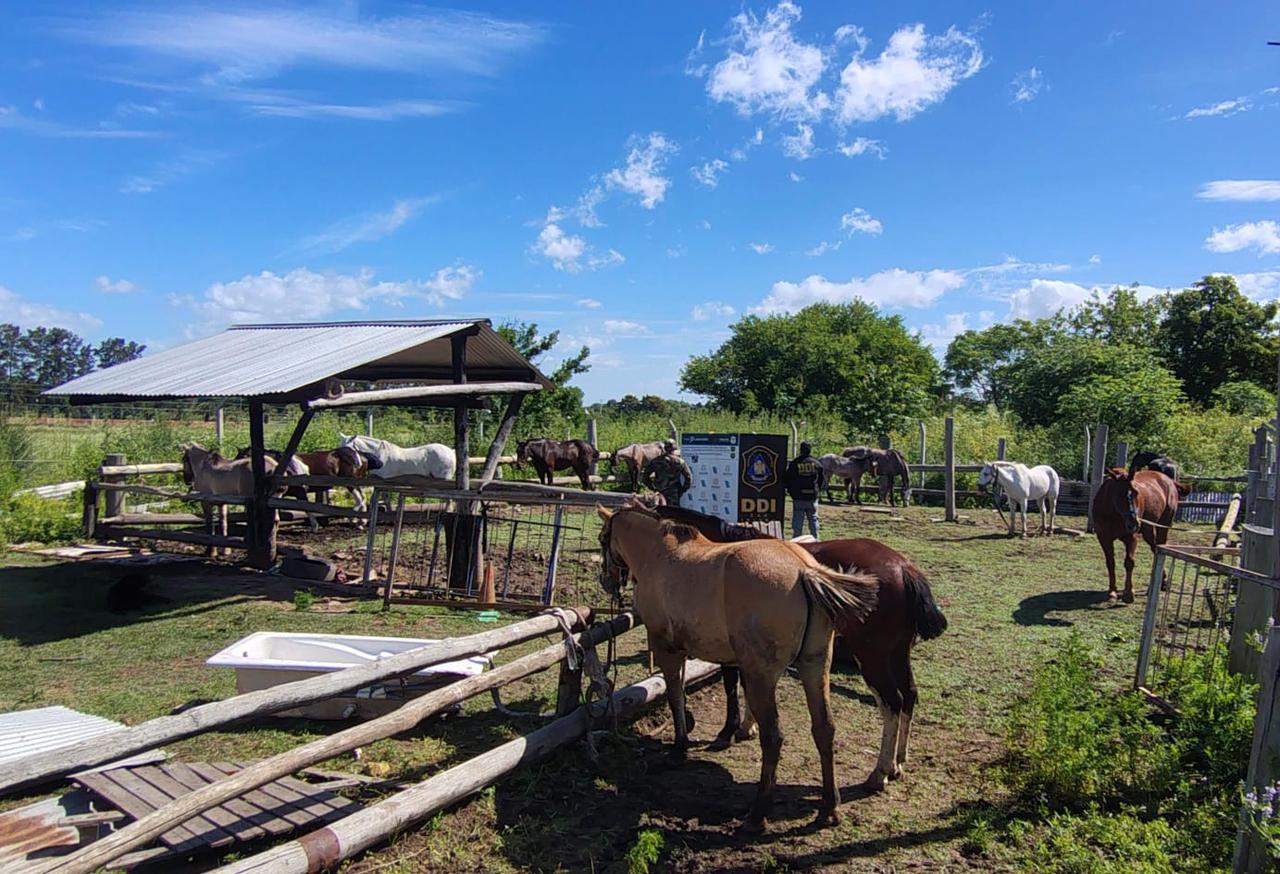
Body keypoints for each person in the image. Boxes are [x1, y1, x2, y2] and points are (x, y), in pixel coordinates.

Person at [785, 441, 824, 538]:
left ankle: (797, 540)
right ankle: (816, 539)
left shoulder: (795, 463)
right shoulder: (816, 463)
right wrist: (817, 491)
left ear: (801, 450)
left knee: (798, 520)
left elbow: (788, 479)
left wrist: (791, 492)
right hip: (812, 497)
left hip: (798, 496)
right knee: (813, 519)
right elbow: (821, 480)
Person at [643, 439, 693, 507]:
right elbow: (688, 477)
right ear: (674, 449)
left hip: (660, 493)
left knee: (660, 513)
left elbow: (645, 476)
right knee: (673, 514)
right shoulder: (679, 462)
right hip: (674, 492)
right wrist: (682, 490)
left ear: (665, 448)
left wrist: (653, 488)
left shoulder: (655, 461)